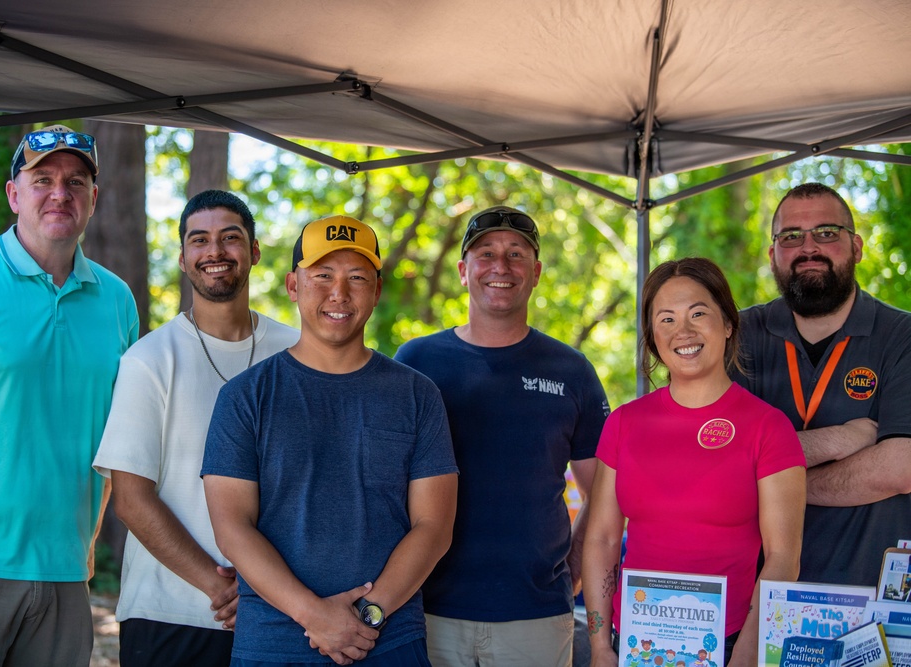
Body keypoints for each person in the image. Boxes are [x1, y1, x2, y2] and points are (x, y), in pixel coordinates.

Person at [0, 125, 139, 666]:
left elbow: (121, 436)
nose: (60, 193)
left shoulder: (117, 301)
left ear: (94, 199)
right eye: (43, 179)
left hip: (65, 575)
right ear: (14, 194)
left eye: (76, 181)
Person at [201, 215, 459, 666]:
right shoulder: (245, 397)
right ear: (293, 285)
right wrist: (314, 616)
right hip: (273, 645)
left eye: (356, 277)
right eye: (322, 275)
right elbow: (232, 528)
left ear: (376, 291)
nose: (339, 293)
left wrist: (367, 615)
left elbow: (433, 528)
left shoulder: (418, 395)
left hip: (388, 642)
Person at [394, 206, 611, 667]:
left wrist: (569, 571)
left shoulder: (571, 370)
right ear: (462, 270)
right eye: (486, 253)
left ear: (535, 273)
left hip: (535, 618)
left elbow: (608, 494)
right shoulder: (416, 361)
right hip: (425, 610)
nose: (501, 266)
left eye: (516, 254)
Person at [92, 190, 299, 666]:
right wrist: (220, 586)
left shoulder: (296, 353)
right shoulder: (149, 361)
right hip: (170, 613)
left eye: (231, 238)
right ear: (184, 258)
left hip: (281, 611)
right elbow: (131, 499)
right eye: (199, 240)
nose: (215, 252)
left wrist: (268, 591)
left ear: (254, 251)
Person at [582, 257, 806, 667]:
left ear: (727, 324)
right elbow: (602, 540)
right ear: (652, 337)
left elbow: (783, 556)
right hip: (633, 644)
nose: (682, 331)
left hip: (730, 645)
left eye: (698, 313)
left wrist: (747, 653)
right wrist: (599, 646)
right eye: (665, 319)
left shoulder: (768, 428)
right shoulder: (623, 424)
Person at [736, 182, 911, 587]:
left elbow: (901, 467)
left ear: (857, 247)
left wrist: (771, 483)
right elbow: (713, 459)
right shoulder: (737, 335)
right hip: (756, 598)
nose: (808, 247)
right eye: (791, 236)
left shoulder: (902, 336)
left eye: (827, 233)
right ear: (772, 253)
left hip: (870, 604)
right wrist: (838, 440)